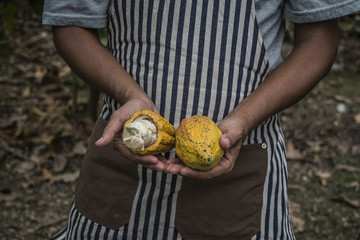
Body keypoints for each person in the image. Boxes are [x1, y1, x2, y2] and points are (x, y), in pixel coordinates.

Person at [42, 0, 360, 239]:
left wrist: (244, 119)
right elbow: (71, 24)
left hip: (241, 161)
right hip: (122, 163)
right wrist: (131, 97)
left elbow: (318, 40)